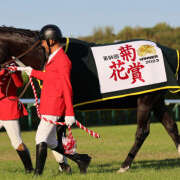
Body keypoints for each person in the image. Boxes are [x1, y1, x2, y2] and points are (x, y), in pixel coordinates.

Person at [17, 24, 91, 175]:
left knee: (40, 138)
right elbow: (51, 78)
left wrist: (70, 112)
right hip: (48, 103)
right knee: (51, 142)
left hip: (54, 105)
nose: (42, 44)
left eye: (43, 42)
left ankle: (38, 174)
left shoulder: (63, 60)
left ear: (51, 41)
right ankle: (81, 159)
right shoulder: (54, 58)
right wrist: (32, 72)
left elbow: (66, 87)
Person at [0, 67, 33, 173]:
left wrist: (14, 72)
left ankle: (29, 169)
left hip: (8, 108)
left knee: (16, 142)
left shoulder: (12, 65)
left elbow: (19, 84)